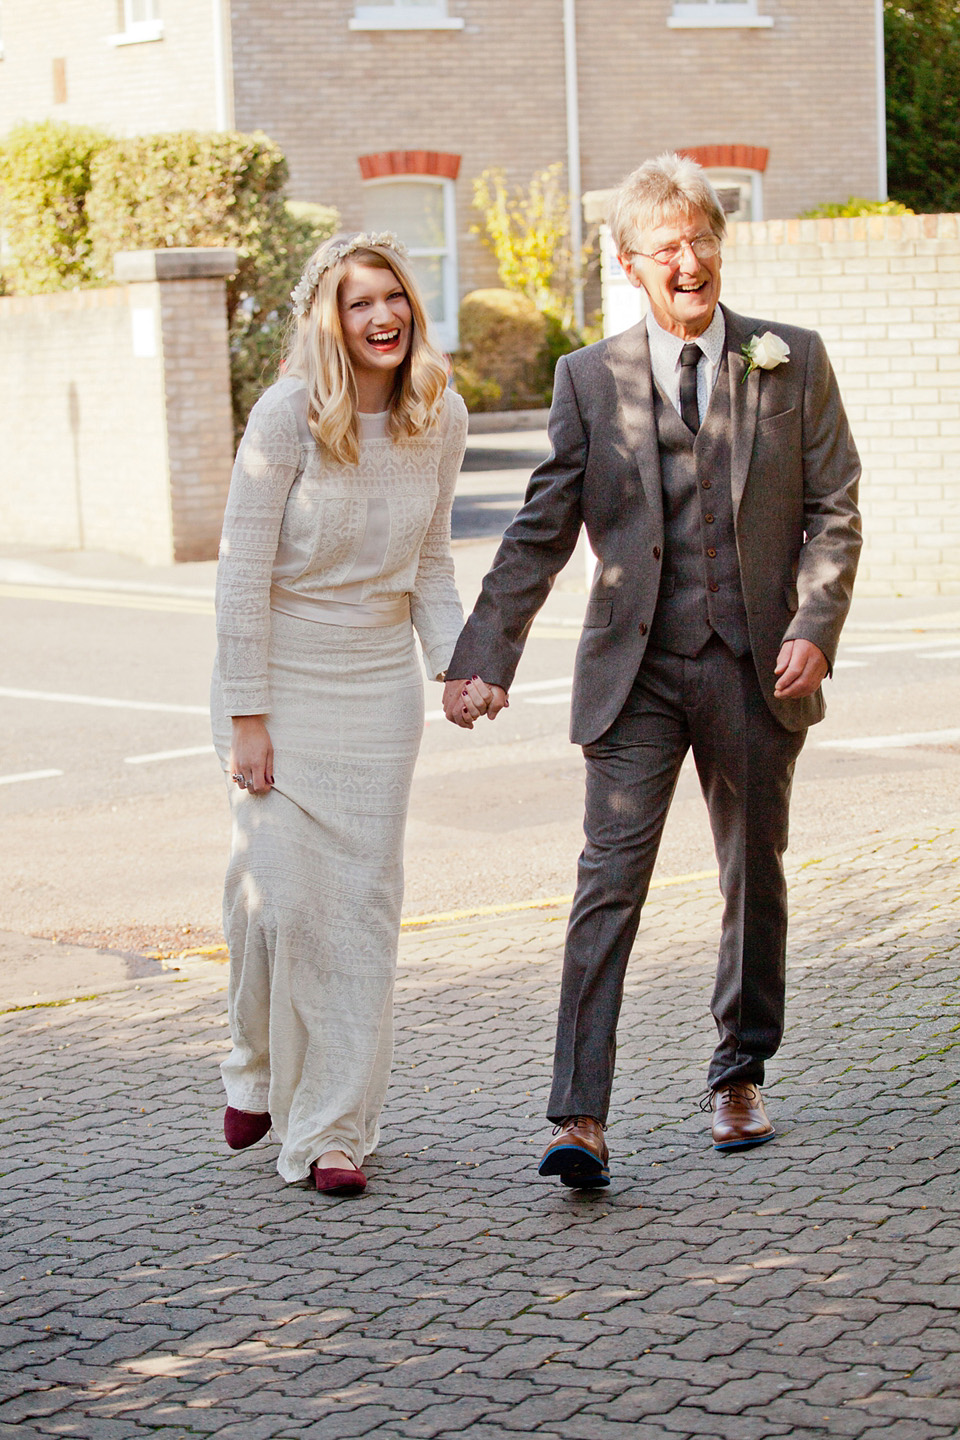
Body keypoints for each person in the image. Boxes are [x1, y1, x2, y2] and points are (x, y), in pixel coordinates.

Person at [444, 154, 862, 1187]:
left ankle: (738, 1071)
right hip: (636, 672)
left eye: (703, 239)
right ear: (631, 264)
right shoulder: (589, 378)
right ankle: (579, 1115)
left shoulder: (790, 359)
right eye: (667, 246)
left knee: (751, 872)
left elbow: (835, 507)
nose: (691, 261)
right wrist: (483, 656)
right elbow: (542, 526)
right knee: (607, 884)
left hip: (757, 664)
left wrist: (816, 620)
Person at [210, 231, 467, 1197]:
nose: (382, 316)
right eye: (359, 303)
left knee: (356, 918)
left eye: (393, 297)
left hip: (374, 692)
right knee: (273, 901)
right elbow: (239, 576)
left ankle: (333, 1133)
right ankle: (254, 1064)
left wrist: (456, 668)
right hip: (277, 678)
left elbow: (432, 564)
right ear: (331, 318)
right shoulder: (284, 418)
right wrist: (247, 715)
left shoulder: (440, 417)